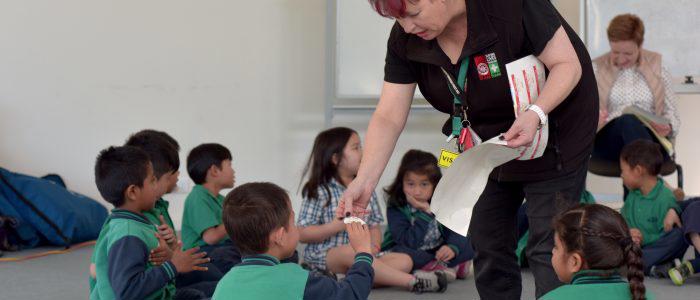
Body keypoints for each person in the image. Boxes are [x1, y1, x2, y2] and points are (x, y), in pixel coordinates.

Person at [342, 0, 598, 298]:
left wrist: (536, 113)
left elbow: (567, 65)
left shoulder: (512, 8)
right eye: (398, 20)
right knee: (488, 243)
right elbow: (388, 115)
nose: (407, 27)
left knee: (549, 247)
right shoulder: (406, 39)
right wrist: (364, 181)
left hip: (554, 131)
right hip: (486, 146)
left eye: (413, 14)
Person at [298, 127, 447, 293]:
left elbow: (374, 225)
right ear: (335, 158)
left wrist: (375, 245)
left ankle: (342, 280)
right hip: (326, 255)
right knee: (351, 252)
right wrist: (336, 226)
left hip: (363, 254)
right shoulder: (319, 190)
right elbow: (303, 234)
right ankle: (413, 281)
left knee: (405, 261)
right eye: (356, 147)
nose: (362, 152)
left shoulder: (366, 188)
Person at [212, 182, 375, 300]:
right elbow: (351, 294)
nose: (296, 227)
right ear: (280, 236)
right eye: (293, 221)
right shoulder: (296, 278)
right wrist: (362, 253)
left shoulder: (225, 283)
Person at [90, 146, 210, 300]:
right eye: (152, 180)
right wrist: (173, 266)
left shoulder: (134, 223)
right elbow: (127, 291)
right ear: (133, 192)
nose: (157, 185)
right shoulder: (128, 234)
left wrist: (170, 252)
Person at [593, 14, 680, 163]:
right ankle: (649, 184)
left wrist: (669, 127)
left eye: (628, 53)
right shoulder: (596, 68)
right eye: (615, 52)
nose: (620, 59)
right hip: (610, 142)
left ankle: (638, 183)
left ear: (640, 45)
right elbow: (582, 116)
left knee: (633, 130)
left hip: (652, 141)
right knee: (627, 121)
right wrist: (594, 120)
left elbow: (672, 114)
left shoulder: (659, 67)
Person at [381, 149, 473, 281]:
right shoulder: (396, 205)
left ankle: (441, 264)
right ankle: (448, 266)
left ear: (435, 184)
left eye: (424, 184)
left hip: (436, 250)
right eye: (410, 184)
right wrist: (425, 213)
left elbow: (455, 230)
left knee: (470, 241)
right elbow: (408, 242)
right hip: (407, 249)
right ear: (401, 183)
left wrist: (452, 247)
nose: (417, 191)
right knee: (405, 254)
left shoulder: (442, 202)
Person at [540, 204, 653, 300]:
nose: (552, 251)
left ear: (574, 261)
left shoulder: (552, 298)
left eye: (556, 247)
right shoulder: (642, 295)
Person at [619, 140, 688, 276]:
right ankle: (653, 268)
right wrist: (629, 233)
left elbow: (666, 234)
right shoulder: (632, 196)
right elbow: (622, 222)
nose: (621, 175)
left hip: (655, 248)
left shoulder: (666, 198)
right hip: (634, 248)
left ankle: (634, 265)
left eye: (623, 170)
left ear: (638, 171)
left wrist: (645, 238)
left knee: (679, 236)